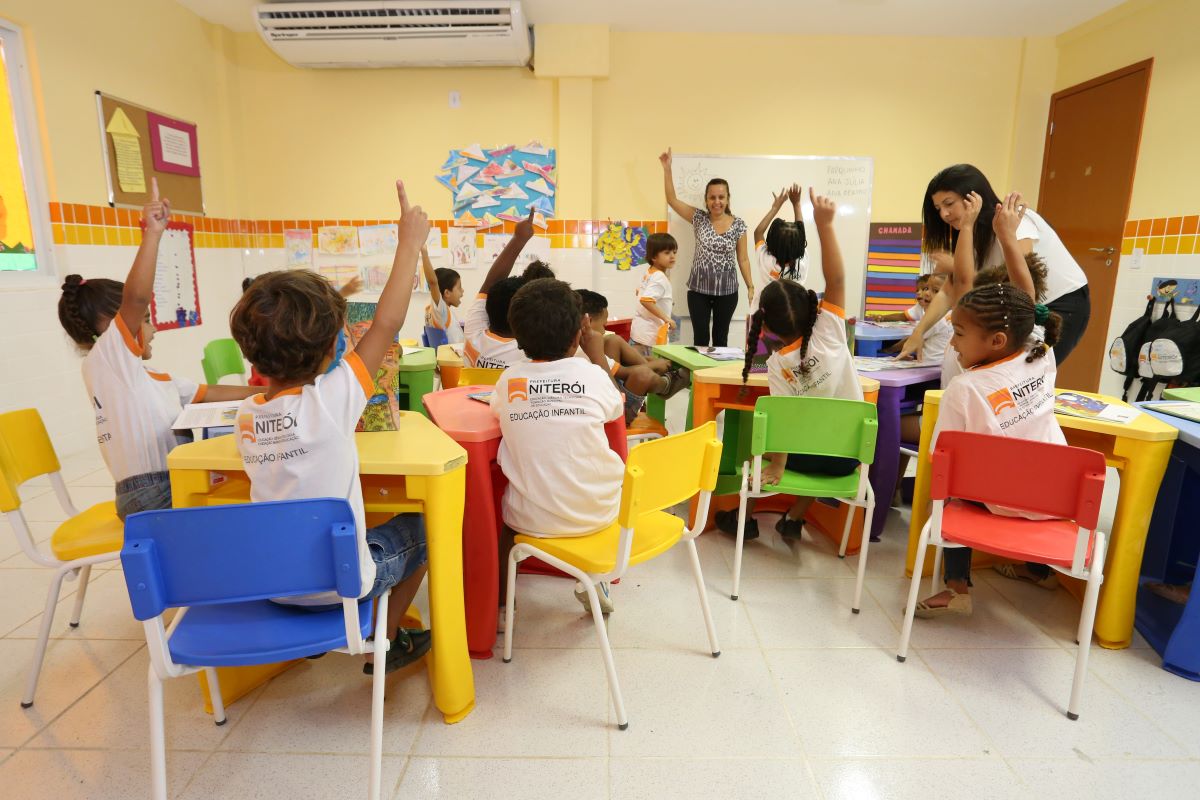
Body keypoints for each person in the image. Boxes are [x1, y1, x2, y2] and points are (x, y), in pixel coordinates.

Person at [229, 180, 433, 673]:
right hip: (339, 583)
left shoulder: (246, 417)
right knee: (424, 531)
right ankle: (382, 644)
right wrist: (410, 244)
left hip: (272, 583)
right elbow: (386, 323)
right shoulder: (331, 401)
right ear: (331, 348)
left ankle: (318, 638)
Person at [58, 179, 258, 519]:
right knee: (250, 501)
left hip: (164, 481)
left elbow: (208, 393)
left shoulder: (142, 377)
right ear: (111, 323)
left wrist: (277, 391)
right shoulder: (109, 358)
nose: (152, 331)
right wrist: (152, 233)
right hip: (150, 492)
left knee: (247, 488)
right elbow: (135, 298)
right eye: (146, 320)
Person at [914, 190, 1066, 618]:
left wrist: (1005, 235)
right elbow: (1029, 301)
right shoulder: (1041, 353)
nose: (954, 342)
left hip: (997, 500)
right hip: (1055, 498)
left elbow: (938, 460)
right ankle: (1040, 568)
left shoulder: (964, 388)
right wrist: (1008, 237)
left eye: (959, 334)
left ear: (996, 341)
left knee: (948, 488)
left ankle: (957, 586)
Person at [714, 189, 862, 541]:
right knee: (823, 436)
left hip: (803, 458)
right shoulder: (830, 330)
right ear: (813, 306)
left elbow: (779, 422)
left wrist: (777, 464)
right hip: (849, 457)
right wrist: (825, 224)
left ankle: (743, 518)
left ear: (765, 328)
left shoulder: (778, 364)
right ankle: (793, 519)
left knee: (761, 442)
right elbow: (837, 280)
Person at [493, 278, 626, 615]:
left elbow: (496, 411)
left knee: (505, 525)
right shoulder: (593, 375)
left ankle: (501, 605)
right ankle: (593, 576)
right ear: (580, 330)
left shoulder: (510, 381)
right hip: (602, 512)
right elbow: (616, 407)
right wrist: (597, 357)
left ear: (517, 336)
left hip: (530, 521)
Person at [899, 164, 1089, 364]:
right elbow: (948, 291)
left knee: (1030, 370)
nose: (944, 214)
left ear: (974, 197)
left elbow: (1024, 286)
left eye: (949, 203)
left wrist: (958, 268)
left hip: (1062, 301)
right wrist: (918, 333)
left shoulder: (1013, 221)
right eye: (938, 208)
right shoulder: (969, 233)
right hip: (1024, 303)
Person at [659, 147, 753, 347]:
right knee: (700, 340)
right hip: (698, 291)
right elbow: (672, 200)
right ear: (706, 199)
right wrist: (667, 170)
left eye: (721, 197)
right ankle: (699, 378)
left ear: (728, 199)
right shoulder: (699, 218)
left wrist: (750, 286)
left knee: (720, 339)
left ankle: (716, 378)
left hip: (727, 293)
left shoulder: (739, 225)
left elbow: (743, 259)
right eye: (712, 197)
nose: (717, 202)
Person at [578, 288, 690, 423]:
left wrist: (648, 363)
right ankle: (665, 384)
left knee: (614, 341)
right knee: (643, 375)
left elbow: (618, 369)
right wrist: (653, 365)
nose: (604, 329)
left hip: (608, 395)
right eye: (604, 324)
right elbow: (623, 373)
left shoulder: (576, 343)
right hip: (614, 414)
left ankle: (660, 377)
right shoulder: (585, 351)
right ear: (588, 322)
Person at [463, 209, 537, 369]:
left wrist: (518, 240)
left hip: (466, 394)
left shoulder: (473, 333)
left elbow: (489, 284)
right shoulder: (528, 357)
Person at [751, 183, 808, 307]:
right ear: (799, 245)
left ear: (772, 243)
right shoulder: (801, 263)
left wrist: (775, 207)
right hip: (790, 317)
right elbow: (801, 235)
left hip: (761, 317)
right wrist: (796, 204)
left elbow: (758, 232)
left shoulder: (766, 260)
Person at [630, 233, 678, 358]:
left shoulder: (649, 272)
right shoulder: (660, 277)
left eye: (674, 252)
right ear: (654, 257)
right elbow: (646, 300)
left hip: (640, 332)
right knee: (654, 370)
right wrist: (667, 319)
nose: (672, 256)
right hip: (651, 336)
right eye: (667, 253)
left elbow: (639, 293)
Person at [419, 247, 464, 344]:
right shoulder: (440, 310)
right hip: (453, 358)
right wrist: (424, 252)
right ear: (447, 293)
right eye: (459, 288)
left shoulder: (433, 310)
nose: (462, 291)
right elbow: (432, 282)